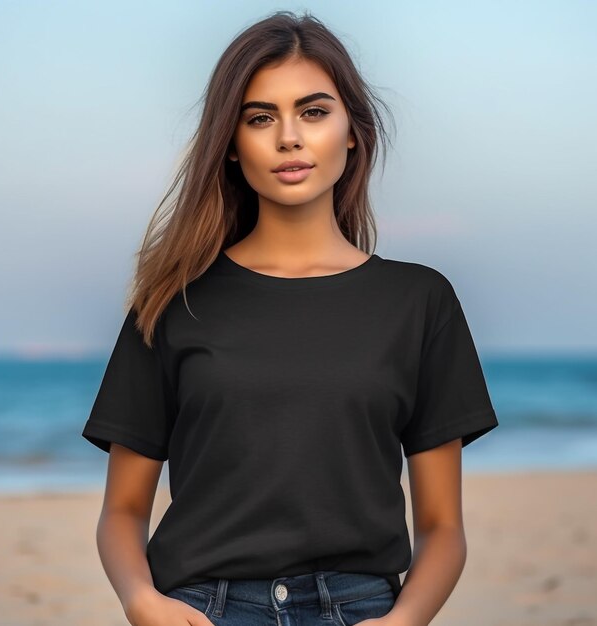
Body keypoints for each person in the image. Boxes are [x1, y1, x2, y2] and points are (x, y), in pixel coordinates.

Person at [81, 10, 499, 626]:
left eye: (313, 111)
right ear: (230, 142)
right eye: (259, 118)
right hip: (202, 609)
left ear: (352, 130)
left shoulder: (420, 301)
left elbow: (441, 527)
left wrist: (403, 621)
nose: (289, 138)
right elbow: (121, 512)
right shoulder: (170, 303)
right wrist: (142, 602)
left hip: (361, 610)